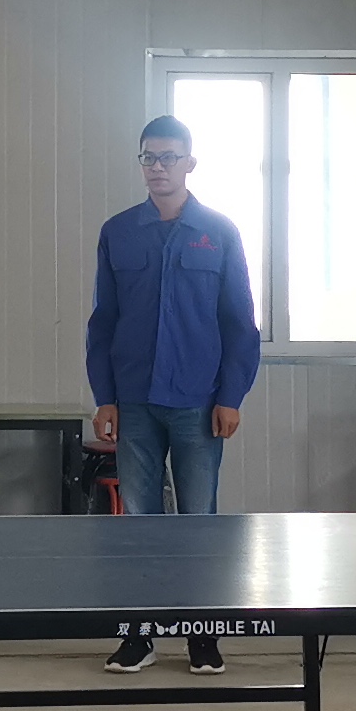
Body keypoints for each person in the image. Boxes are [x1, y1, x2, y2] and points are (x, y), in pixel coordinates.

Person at [85, 114, 260, 675]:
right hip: (134, 401)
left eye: (168, 158)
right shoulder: (118, 232)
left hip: (198, 402)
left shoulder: (219, 232)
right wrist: (105, 396)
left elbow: (239, 322)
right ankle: (140, 635)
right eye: (148, 158)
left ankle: (201, 636)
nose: (157, 168)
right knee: (141, 526)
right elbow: (103, 321)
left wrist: (231, 395)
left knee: (197, 523)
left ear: (190, 163)